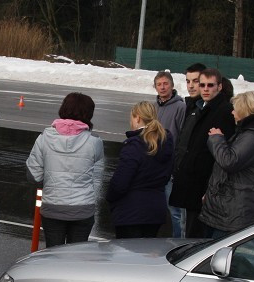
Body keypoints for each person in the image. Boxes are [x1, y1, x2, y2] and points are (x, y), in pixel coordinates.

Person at [199, 91, 254, 239]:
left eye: (235, 108)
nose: (232, 112)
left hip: (237, 214)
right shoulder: (249, 133)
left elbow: (229, 161)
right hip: (232, 210)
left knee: (218, 253)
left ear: (244, 109)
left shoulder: (253, 137)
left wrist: (216, 139)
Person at [26, 93, 104, 246]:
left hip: (53, 207)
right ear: (89, 114)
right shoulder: (95, 141)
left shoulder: (44, 137)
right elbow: (97, 175)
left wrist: (48, 184)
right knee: (76, 258)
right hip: (83, 209)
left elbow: (34, 175)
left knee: (54, 255)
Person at [169, 68, 235, 238]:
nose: (205, 89)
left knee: (196, 236)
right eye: (202, 84)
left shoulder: (224, 111)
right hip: (191, 181)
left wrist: (210, 187)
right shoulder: (200, 107)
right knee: (188, 230)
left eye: (210, 85)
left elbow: (220, 155)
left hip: (203, 186)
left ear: (219, 87)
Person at [106, 101, 174, 238]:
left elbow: (120, 183)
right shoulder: (166, 142)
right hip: (156, 209)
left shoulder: (134, 146)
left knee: (129, 256)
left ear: (137, 118)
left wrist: (110, 198)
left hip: (131, 212)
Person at [153, 71, 186, 238]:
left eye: (165, 84)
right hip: (154, 163)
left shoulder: (180, 106)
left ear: (172, 86)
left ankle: (178, 241)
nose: (162, 87)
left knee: (174, 209)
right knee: (153, 204)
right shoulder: (154, 106)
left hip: (170, 164)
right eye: (159, 84)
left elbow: (182, 135)